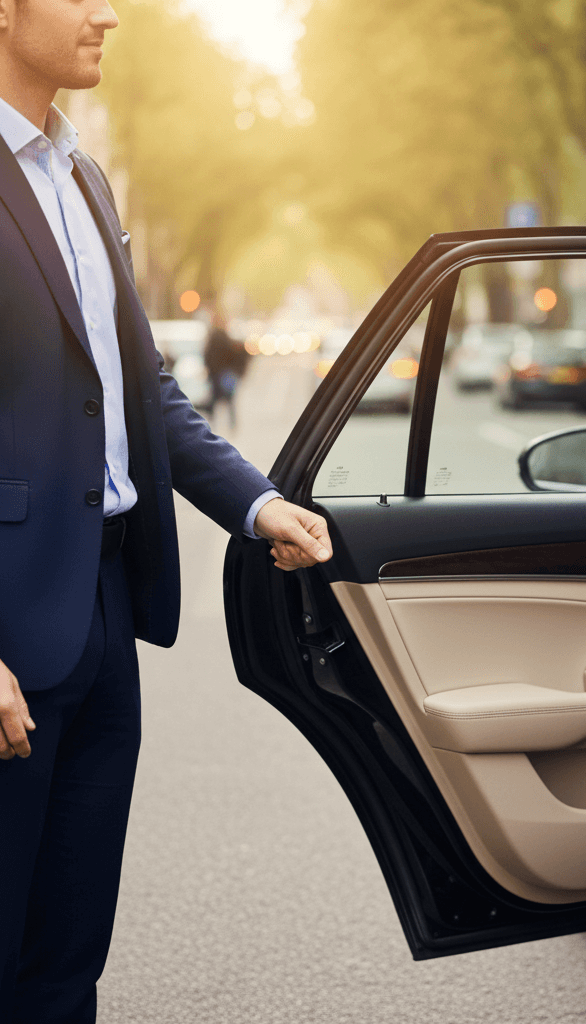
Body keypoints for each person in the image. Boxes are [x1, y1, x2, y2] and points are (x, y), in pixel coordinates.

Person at [0, 2, 334, 1021]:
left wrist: (259, 503)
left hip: (103, 617)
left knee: (67, 954)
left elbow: (143, 387)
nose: (107, 13)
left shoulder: (83, 179)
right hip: (10, 632)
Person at [199, 313, 247, 430]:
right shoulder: (225, 339)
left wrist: (209, 370)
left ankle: (213, 425)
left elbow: (207, 356)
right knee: (229, 401)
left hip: (216, 374)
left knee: (215, 400)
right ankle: (232, 425)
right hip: (223, 374)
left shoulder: (213, 339)